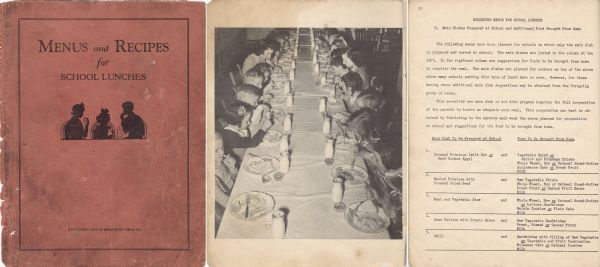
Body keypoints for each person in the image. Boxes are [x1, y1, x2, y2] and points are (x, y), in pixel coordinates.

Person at [215, 131, 238, 233]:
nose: (222, 152)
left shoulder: (219, 161)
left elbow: (234, 180)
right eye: (216, 150)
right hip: (229, 212)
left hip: (235, 195)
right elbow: (227, 204)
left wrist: (232, 168)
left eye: (222, 147)